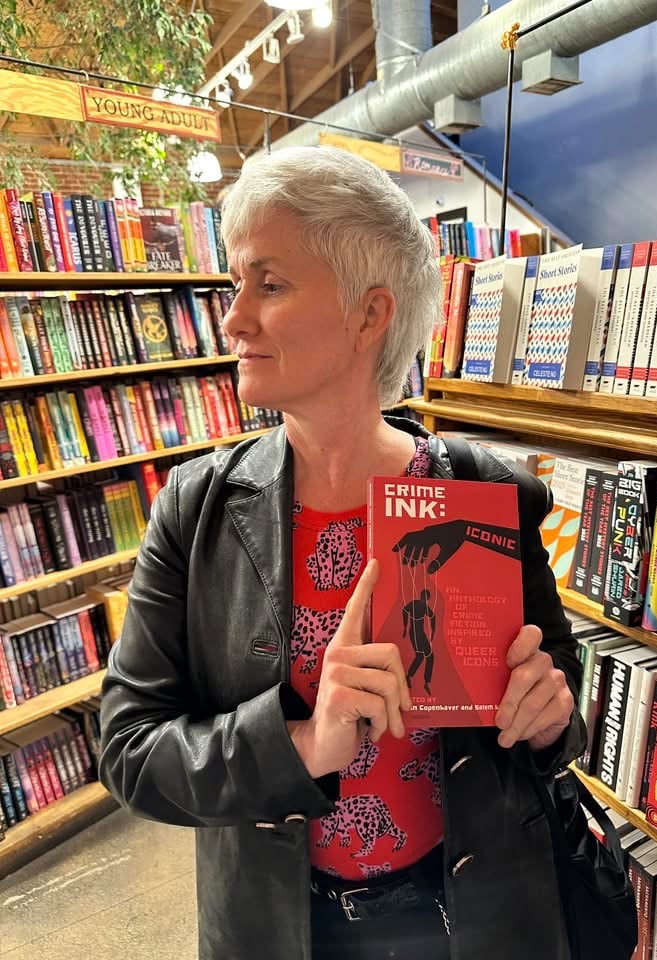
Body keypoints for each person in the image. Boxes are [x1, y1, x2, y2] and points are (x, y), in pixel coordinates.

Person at [99, 145, 586, 960]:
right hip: (281, 930)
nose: (233, 319)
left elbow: (568, 702)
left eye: (271, 284)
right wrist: (302, 744)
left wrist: (550, 716)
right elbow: (129, 747)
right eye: (235, 284)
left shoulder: (482, 495)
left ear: (370, 315)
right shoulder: (198, 510)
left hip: (475, 921)